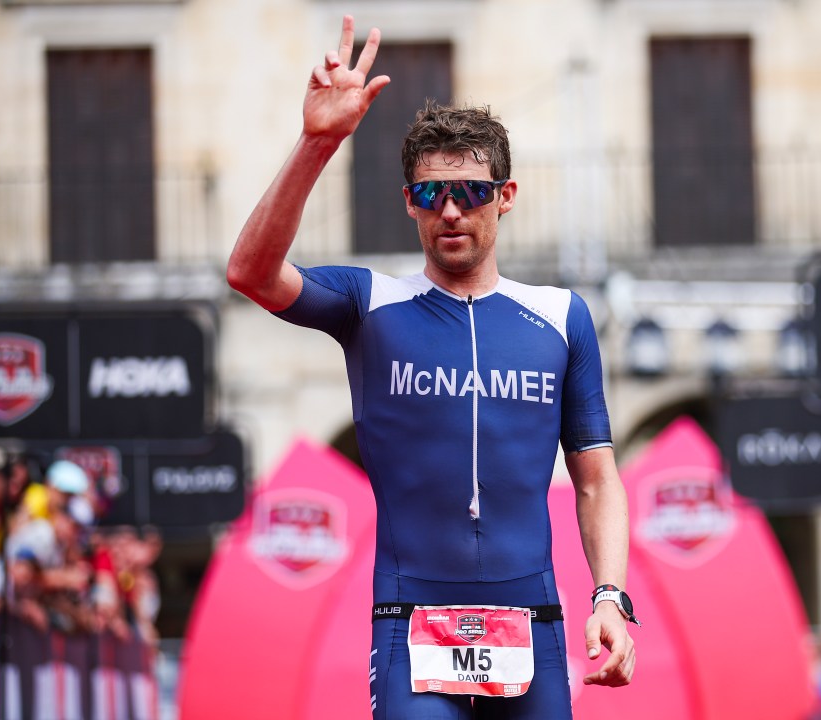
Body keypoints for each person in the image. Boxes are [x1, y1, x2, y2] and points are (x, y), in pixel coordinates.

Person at [226, 14, 636, 719]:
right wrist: (318, 142)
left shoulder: (562, 316)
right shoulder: (369, 303)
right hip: (410, 621)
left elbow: (596, 478)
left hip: (531, 624)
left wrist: (610, 597)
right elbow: (250, 272)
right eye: (429, 193)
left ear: (505, 197)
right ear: (408, 203)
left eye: (471, 192)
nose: (450, 210)